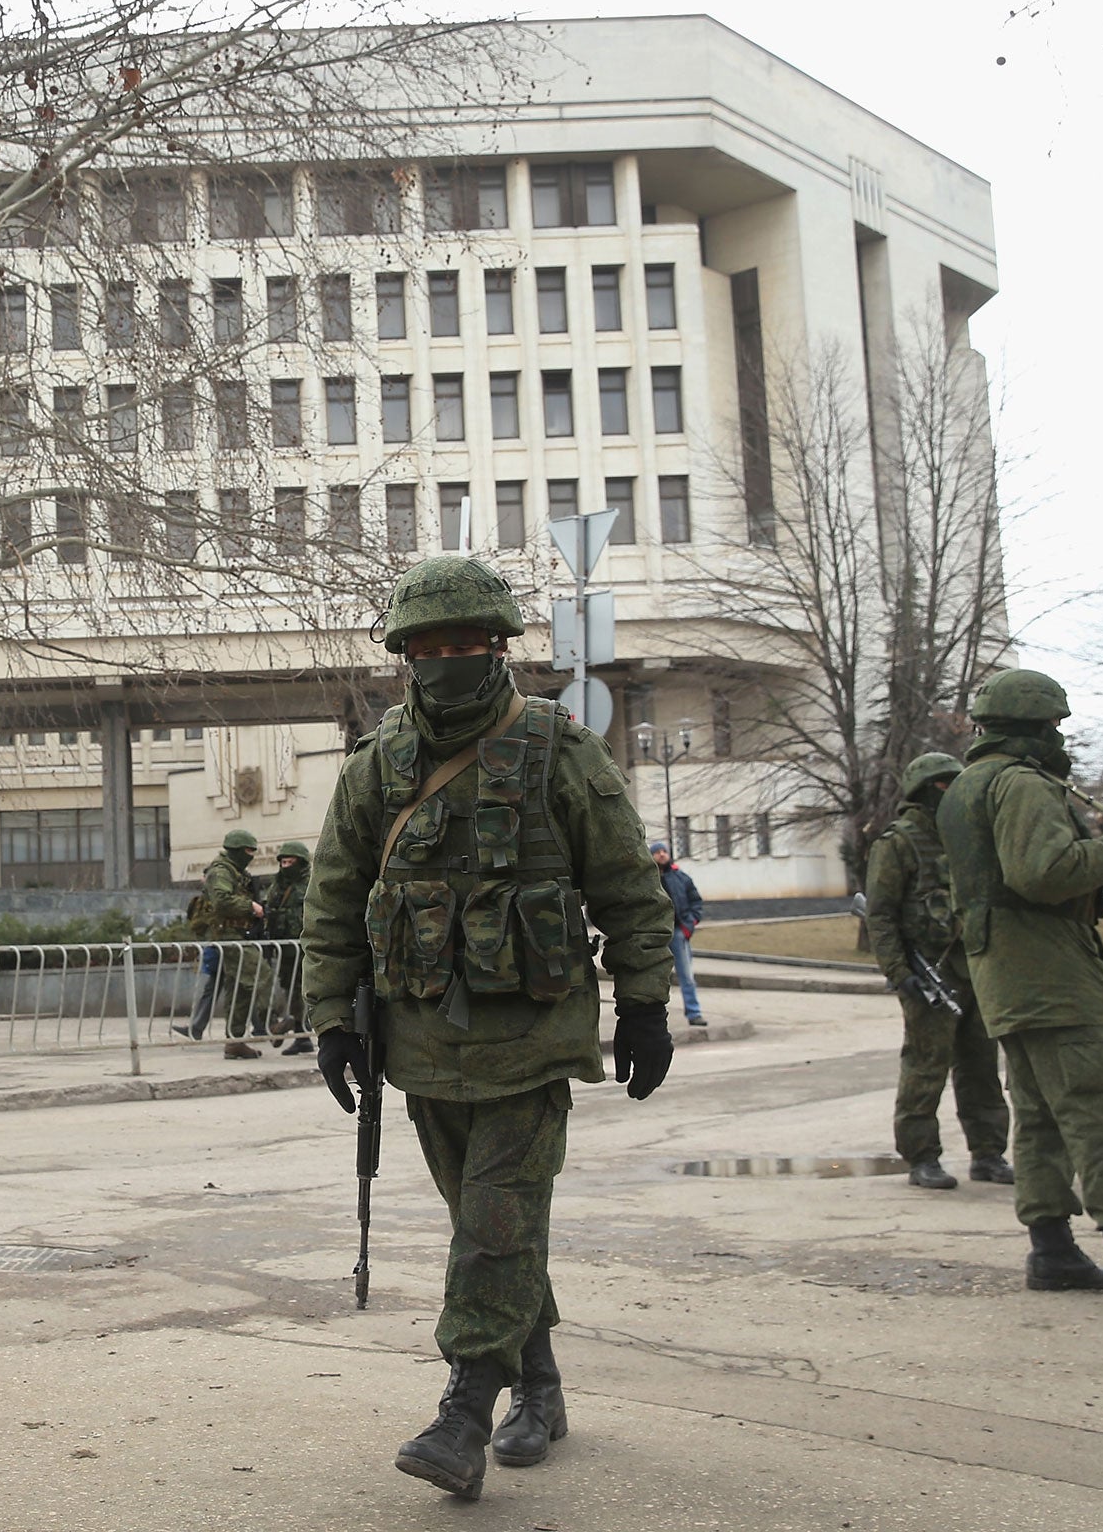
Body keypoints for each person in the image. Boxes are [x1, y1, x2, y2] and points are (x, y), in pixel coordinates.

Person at [305, 556, 677, 1500]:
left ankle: (466, 1409)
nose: (444, 662)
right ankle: (540, 1391)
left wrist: (643, 1004)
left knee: (497, 1227)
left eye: (463, 644)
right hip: (422, 1043)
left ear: (499, 647)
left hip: (530, 1039)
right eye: (426, 648)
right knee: (493, 1230)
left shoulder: (557, 746)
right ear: (403, 657)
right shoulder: (377, 763)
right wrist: (330, 1019)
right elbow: (336, 897)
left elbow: (631, 885)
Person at [939, 668, 1103, 1304]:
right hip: (1050, 977)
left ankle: (1052, 1249)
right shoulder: (1022, 784)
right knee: (1100, 1111)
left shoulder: (967, 785)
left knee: (1040, 1120)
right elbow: (1044, 872)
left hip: (1005, 975)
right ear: (1039, 726)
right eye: (1055, 725)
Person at [865, 753, 1012, 1191]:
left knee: (982, 1066)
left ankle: (989, 1154)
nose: (952, 793)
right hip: (927, 973)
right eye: (944, 786)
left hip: (975, 968)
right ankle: (922, 1157)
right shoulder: (899, 842)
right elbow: (880, 915)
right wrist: (897, 971)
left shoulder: (968, 838)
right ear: (925, 791)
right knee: (926, 1065)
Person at [196, 828, 271, 1059]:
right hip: (228, 936)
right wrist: (251, 907)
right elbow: (221, 900)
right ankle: (273, 1021)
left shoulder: (236, 871)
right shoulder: (221, 871)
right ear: (237, 850)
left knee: (239, 988)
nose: (251, 855)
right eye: (248, 850)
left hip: (238, 934)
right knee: (261, 973)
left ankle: (235, 1041)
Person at [263, 840, 315, 1056]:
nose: (286, 866)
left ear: (300, 862)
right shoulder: (277, 885)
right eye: (283, 861)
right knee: (291, 988)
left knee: (304, 991)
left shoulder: (310, 883)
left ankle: (303, 1031)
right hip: (285, 948)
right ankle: (301, 1035)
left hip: (304, 947)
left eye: (290, 861)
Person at [651, 840, 704, 1026]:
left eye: (664, 851)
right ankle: (656, 1017)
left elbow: (696, 902)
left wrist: (689, 926)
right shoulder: (649, 880)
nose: (662, 854)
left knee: (687, 976)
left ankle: (694, 1013)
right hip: (656, 933)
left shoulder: (681, 878)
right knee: (655, 977)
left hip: (679, 931)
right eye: (657, 852)